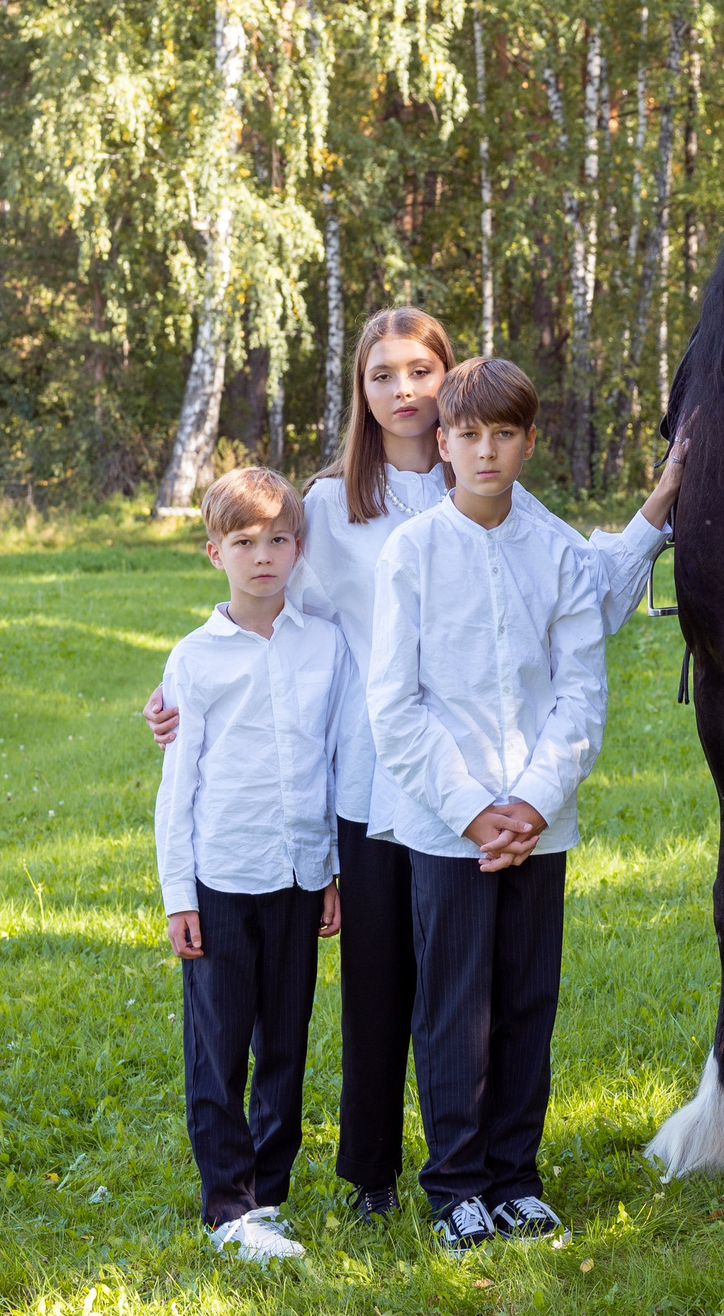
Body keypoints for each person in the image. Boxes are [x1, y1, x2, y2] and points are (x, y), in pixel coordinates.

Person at [146, 309, 688, 1224]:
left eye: (420, 370)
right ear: (361, 392)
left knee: (471, 986)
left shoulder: (489, 482)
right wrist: (184, 687)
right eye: (382, 374)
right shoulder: (330, 504)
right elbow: (267, 603)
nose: (403, 389)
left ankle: (485, 1167)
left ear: (448, 382)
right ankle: (373, 1173)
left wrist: (660, 505)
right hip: (368, 773)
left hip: (473, 775)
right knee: (379, 986)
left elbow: (583, 591)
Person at [366, 358, 654, 1254]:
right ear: (443, 444)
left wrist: (530, 801)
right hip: (445, 823)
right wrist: (470, 809)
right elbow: (395, 702)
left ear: (530, 441)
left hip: (539, 822)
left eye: (503, 434)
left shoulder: (559, 552)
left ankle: (515, 1176)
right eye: (469, 435)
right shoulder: (412, 552)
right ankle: (456, 1182)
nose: (486, 451)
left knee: (528, 997)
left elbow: (580, 692)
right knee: (455, 1004)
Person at [154, 467, 354, 1263]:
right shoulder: (195, 659)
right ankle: (227, 1208)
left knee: (286, 1043)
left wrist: (330, 869)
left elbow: (333, 762)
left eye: (277, 539)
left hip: (299, 876)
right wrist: (179, 894)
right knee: (220, 1044)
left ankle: (268, 1194)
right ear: (215, 552)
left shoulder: (325, 645)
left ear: (298, 547)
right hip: (222, 878)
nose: (263, 555)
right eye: (244, 541)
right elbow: (178, 785)